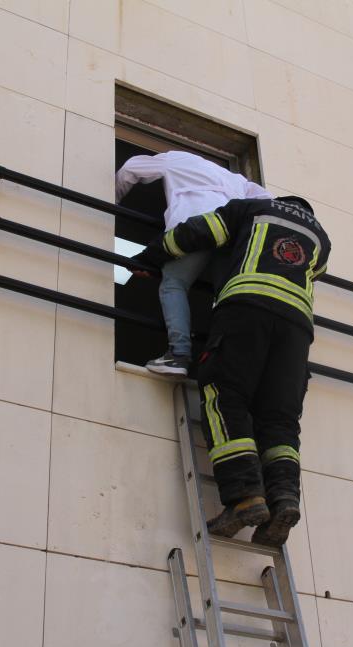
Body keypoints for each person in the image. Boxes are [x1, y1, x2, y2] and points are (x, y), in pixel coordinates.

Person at [134, 195, 330, 546]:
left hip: (246, 309)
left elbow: (200, 231)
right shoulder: (321, 239)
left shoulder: (252, 208)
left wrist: (152, 255)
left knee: (224, 395)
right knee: (279, 418)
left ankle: (244, 498)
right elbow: (312, 273)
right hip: (297, 332)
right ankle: (283, 498)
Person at [116, 151, 272, 376]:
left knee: (174, 284)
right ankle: (230, 364)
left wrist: (112, 198)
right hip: (232, 237)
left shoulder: (177, 158)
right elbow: (268, 201)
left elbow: (131, 168)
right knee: (225, 298)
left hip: (195, 228)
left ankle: (178, 355)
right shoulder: (236, 179)